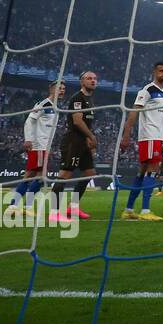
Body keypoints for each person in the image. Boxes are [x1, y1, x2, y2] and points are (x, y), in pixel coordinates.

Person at [119, 61, 163, 221]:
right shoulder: (147, 90)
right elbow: (133, 113)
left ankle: (128, 210)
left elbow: (157, 114)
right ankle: (145, 210)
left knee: (141, 173)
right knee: (153, 170)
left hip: (157, 136)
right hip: (149, 136)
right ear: (154, 72)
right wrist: (126, 136)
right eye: (161, 71)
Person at [50, 71, 100, 223]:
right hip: (73, 141)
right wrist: (91, 136)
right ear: (81, 82)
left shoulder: (90, 99)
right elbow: (77, 121)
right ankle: (54, 212)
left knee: (89, 173)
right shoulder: (77, 98)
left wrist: (90, 143)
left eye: (95, 78)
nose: (93, 81)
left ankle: (73, 207)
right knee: (64, 175)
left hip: (84, 143)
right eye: (89, 78)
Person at [10, 82, 65, 212]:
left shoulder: (54, 106)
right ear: (51, 89)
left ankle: (19, 206)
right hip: (39, 145)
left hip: (45, 146)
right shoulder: (44, 104)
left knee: (36, 176)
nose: (62, 91)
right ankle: (16, 205)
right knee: (34, 176)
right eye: (59, 88)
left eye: (63, 89)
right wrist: (28, 139)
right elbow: (29, 120)